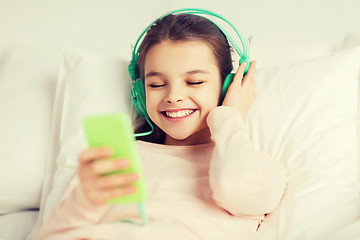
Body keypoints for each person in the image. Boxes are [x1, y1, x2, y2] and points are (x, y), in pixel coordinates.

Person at [34, 12, 287, 240]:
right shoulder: (117, 160)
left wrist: (231, 115)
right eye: (156, 85)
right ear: (141, 94)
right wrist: (85, 200)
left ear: (227, 86)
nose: (173, 96)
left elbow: (236, 190)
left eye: (195, 81)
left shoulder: (258, 170)